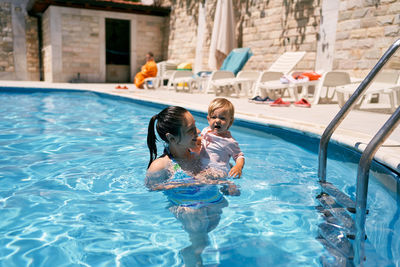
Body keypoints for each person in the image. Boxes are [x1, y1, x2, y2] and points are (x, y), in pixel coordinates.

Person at [146, 106, 239, 267]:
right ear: (172, 138)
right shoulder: (161, 166)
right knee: (199, 239)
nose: (197, 131)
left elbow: (224, 165)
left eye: (195, 125)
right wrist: (189, 182)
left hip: (214, 201)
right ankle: (191, 255)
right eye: (190, 130)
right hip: (188, 208)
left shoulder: (202, 151)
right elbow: (151, 188)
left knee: (207, 233)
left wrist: (227, 182)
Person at [200, 98, 245, 178]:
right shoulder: (205, 131)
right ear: (208, 119)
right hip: (203, 166)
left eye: (222, 118)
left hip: (218, 171)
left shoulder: (229, 141)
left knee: (201, 179)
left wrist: (238, 166)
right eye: (214, 117)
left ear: (230, 122)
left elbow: (239, 156)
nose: (217, 120)